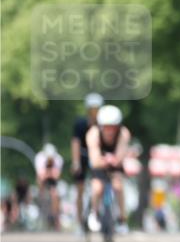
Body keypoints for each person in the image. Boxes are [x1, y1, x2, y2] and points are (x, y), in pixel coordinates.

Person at [86, 105, 132, 234]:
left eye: (113, 127)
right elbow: (95, 160)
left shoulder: (124, 133)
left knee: (118, 186)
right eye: (106, 127)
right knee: (97, 187)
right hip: (99, 164)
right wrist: (105, 160)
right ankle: (94, 213)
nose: (110, 131)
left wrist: (115, 160)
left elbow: (120, 156)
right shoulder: (93, 134)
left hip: (115, 164)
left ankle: (122, 218)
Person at [71, 92, 103, 232]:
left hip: (98, 156)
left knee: (101, 184)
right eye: (92, 109)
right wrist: (76, 162)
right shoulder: (80, 124)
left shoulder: (104, 124)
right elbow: (75, 143)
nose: (95, 112)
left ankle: (100, 215)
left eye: (97, 109)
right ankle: (79, 222)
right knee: (80, 189)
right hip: (83, 155)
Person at [34, 143, 64, 230]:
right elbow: (40, 176)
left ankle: (56, 218)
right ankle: (41, 211)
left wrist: (48, 173)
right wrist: (50, 172)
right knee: (41, 190)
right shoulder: (39, 158)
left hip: (53, 182)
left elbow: (57, 176)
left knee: (55, 195)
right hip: (43, 181)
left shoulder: (58, 159)